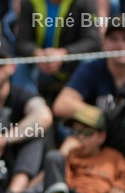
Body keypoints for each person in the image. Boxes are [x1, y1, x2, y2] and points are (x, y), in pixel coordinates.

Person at [0, 106, 125, 193]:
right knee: (52, 160)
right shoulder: (71, 153)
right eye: (76, 132)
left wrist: (120, 186)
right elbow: (52, 178)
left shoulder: (113, 157)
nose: (80, 137)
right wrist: (64, 152)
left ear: (101, 136)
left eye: (87, 133)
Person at [0, 35, 52, 193]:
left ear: (12, 66)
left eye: (0, 62)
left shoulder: (22, 95)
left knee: (36, 135)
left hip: (18, 167)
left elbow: (44, 116)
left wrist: (4, 139)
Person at [15, 0, 101, 99]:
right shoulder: (30, 0)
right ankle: (30, 105)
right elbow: (22, 41)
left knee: (90, 62)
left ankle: (79, 105)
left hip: (74, 65)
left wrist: (63, 54)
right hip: (42, 65)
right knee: (21, 66)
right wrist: (38, 54)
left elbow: (92, 40)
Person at [52, 20, 125, 157]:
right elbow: (61, 105)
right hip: (94, 139)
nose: (120, 45)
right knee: (68, 134)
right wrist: (102, 117)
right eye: (113, 39)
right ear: (104, 43)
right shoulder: (92, 68)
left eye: (124, 39)